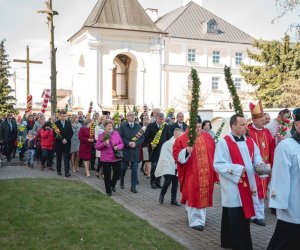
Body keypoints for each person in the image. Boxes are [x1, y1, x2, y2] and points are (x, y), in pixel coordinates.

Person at [214, 113, 264, 250]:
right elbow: (218, 164)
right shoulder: (224, 142)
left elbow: (257, 157)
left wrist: (260, 165)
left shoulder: (249, 141)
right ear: (233, 126)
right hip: (233, 185)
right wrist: (237, 170)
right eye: (242, 125)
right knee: (235, 215)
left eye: (246, 124)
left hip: (249, 183)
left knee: (238, 215)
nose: (245, 127)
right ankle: (241, 245)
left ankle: (227, 240)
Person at [173, 118, 217, 231]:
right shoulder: (182, 139)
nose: (198, 129)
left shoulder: (207, 137)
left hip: (206, 173)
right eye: (196, 127)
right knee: (193, 195)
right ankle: (195, 221)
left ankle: (201, 219)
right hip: (191, 173)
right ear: (190, 126)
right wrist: (187, 151)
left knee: (203, 196)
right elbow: (177, 156)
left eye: (199, 127)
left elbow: (213, 153)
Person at [267, 108, 300, 250]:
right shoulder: (286, 147)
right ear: (297, 125)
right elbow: (280, 178)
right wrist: (281, 205)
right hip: (293, 207)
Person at [247, 101, 275, 226]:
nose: (264, 121)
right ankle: (256, 215)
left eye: (264, 118)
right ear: (255, 119)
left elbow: (272, 146)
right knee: (254, 190)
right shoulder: (248, 132)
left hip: (265, 167)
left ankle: (258, 215)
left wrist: (278, 140)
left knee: (262, 191)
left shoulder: (267, 132)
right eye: (262, 119)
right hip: (253, 168)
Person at [155, 128, 183, 206]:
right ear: (176, 135)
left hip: (176, 165)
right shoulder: (168, 143)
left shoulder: (181, 143)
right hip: (168, 165)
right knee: (168, 181)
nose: (183, 137)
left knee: (175, 183)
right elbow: (165, 156)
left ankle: (173, 199)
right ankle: (162, 195)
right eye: (181, 135)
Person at [95, 119, 124, 196]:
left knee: (117, 172)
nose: (109, 127)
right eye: (108, 126)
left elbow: (122, 144)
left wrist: (118, 147)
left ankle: (112, 185)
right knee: (107, 175)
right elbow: (97, 147)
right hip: (106, 158)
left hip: (116, 157)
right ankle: (108, 190)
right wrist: (104, 143)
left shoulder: (116, 133)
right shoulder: (102, 135)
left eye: (110, 126)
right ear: (105, 127)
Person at [119, 112, 144, 193]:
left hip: (135, 151)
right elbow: (120, 137)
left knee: (134, 170)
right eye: (130, 115)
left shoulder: (138, 127)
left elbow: (142, 138)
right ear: (127, 117)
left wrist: (136, 143)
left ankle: (133, 187)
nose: (132, 117)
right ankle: (121, 180)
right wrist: (128, 143)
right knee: (123, 168)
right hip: (126, 150)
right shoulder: (123, 126)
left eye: (133, 115)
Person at [144, 112, 171, 189]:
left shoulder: (166, 127)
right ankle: (153, 182)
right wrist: (151, 142)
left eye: (163, 119)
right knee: (154, 166)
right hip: (154, 150)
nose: (161, 121)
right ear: (156, 118)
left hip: (163, 151)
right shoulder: (150, 126)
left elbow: (169, 138)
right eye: (160, 119)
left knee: (161, 167)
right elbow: (146, 137)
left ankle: (158, 182)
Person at [53, 111, 73, 177]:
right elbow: (55, 134)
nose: (63, 117)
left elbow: (71, 132)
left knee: (66, 158)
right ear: (59, 116)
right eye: (62, 116)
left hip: (67, 143)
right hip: (59, 143)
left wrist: (66, 139)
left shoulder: (68, 123)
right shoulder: (56, 123)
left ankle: (67, 172)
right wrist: (62, 139)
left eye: (65, 116)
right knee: (59, 157)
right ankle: (59, 170)